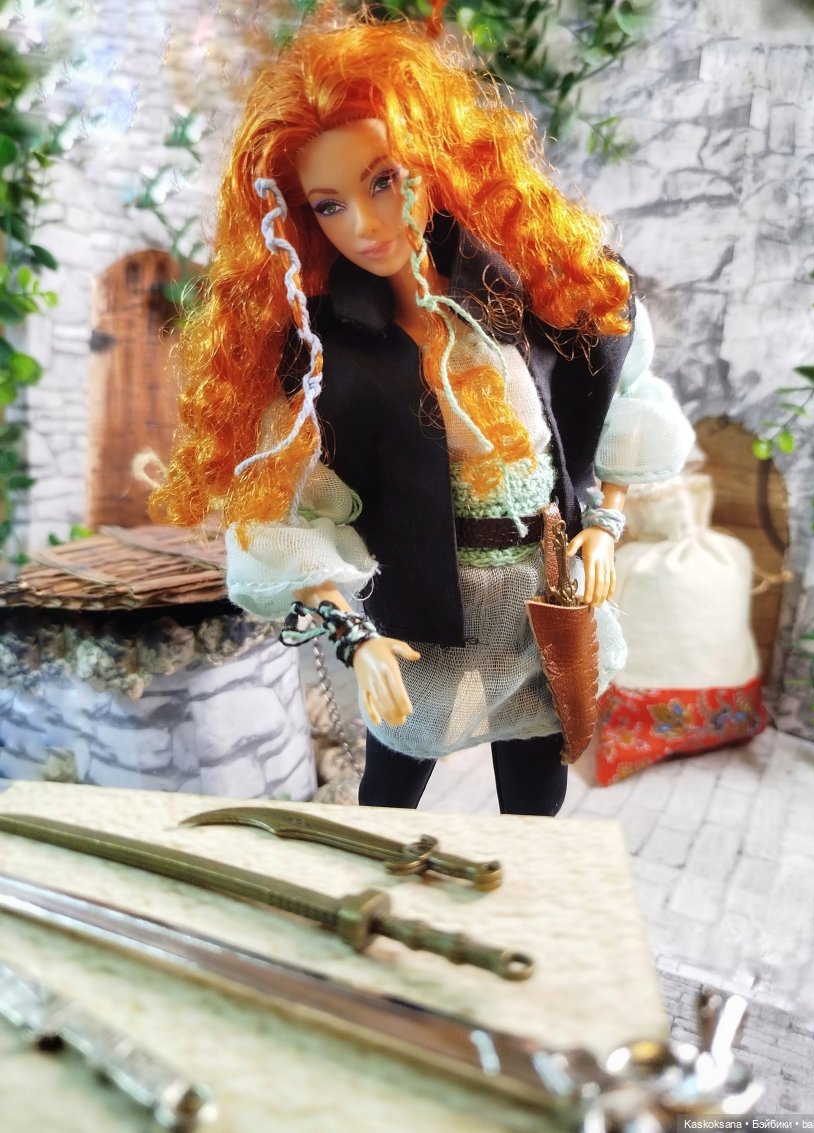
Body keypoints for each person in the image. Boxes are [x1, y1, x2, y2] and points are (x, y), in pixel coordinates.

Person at [150, 13, 693, 815]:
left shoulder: (529, 290)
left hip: (541, 598)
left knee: (535, 780)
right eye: (329, 205)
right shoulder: (328, 357)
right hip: (425, 611)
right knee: (394, 780)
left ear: (433, 161)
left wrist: (604, 524)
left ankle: (522, 883)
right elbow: (283, 515)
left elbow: (618, 392)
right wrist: (354, 636)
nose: (365, 226)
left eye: (383, 181)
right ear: (301, 217)